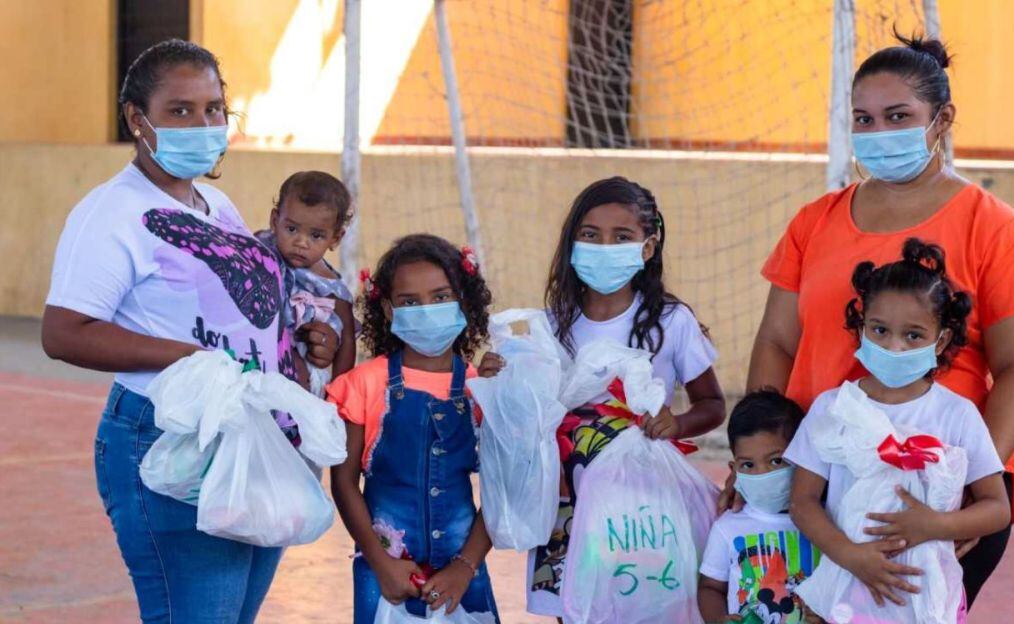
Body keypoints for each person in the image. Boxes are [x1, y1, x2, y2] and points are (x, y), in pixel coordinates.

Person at [744, 33, 1014, 604]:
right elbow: (777, 343)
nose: (879, 132)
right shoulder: (814, 221)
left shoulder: (996, 227)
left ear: (942, 120)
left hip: (930, 503)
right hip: (820, 489)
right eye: (864, 119)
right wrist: (759, 460)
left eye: (898, 116)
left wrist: (960, 490)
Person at [40, 40, 338, 623]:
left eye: (213, 109)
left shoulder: (215, 204)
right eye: (180, 110)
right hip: (171, 435)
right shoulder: (111, 213)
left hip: (250, 436)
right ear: (137, 118)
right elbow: (63, 331)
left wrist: (299, 339)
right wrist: (189, 357)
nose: (203, 125)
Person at [479, 176, 726, 619]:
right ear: (572, 244)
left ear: (647, 248)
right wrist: (499, 381)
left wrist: (678, 423)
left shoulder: (671, 322)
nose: (604, 247)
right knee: (574, 607)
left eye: (622, 237)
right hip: (565, 501)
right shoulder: (551, 324)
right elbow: (524, 412)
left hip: (640, 505)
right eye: (591, 235)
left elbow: (713, 405)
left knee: (643, 605)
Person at [785, 239, 1011, 621]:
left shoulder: (957, 415)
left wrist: (937, 525)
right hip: (844, 592)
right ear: (861, 329)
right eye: (880, 330)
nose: (894, 347)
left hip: (926, 600)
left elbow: (996, 508)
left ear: (940, 340)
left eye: (913, 335)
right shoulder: (833, 408)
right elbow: (803, 502)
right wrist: (850, 556)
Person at [326, 234, 500, 623]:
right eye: (409, 302)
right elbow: (343, 482)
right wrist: (379, 560)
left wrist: (466, 566)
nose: (426, 311)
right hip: (384, 572)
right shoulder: (363, 384)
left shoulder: (482, 389)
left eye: (440, 297)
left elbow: (501, 490)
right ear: (388, 310)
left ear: (463, 301)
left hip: (463, 573)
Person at [698, 390, 820, 624]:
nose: (762, 474)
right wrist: (719, 619)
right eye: (748, 465)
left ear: (803, 457)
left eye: (776, 461)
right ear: (734, 470)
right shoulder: (727, 528)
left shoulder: (824, 521)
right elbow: (710, 587)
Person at [256, 170, 357, 397]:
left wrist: (337, 398)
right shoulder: (260, 247)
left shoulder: (332, 290)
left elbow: (347, 343)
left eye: (316, 236)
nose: (301, 242)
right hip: (257, 362)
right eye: (291, 229)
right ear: (275, 221)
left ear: (335, 238)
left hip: (303, 379)